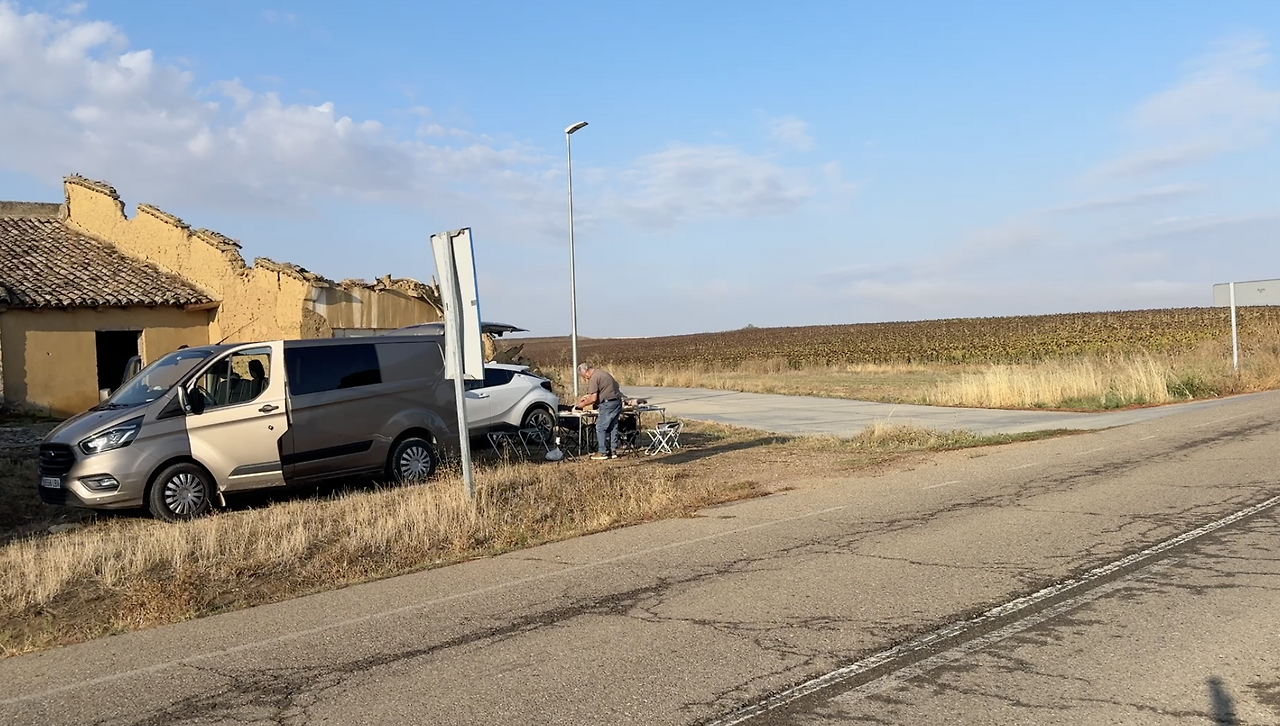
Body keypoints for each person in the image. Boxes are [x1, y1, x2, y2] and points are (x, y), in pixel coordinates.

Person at [575, 362, 623, 460]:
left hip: (608, 404)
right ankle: (613, 451)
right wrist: (587, 397)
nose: (585, 379)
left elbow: (593, 398)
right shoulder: (602, 373)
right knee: (613, 426)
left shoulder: (594, 378)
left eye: (584, 376)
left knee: (600, 427)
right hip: (617, 402)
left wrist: (581, 405)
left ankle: (602, 452)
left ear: (586, 372)